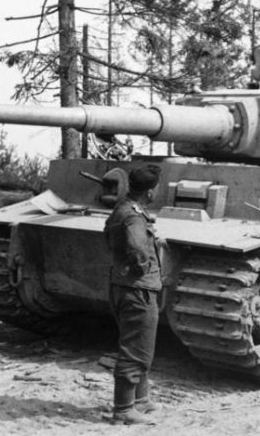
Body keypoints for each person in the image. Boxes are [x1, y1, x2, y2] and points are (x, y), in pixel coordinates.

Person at [103, 164, 163, 425]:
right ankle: (123, 409)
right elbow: (137, 247)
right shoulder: (134, 217)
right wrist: (142, 267)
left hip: (124, 285)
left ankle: (140, 400)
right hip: (138, 289)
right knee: (136, 350)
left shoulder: (122, 209)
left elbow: (107, 237)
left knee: (142, 346)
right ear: (150, 192)